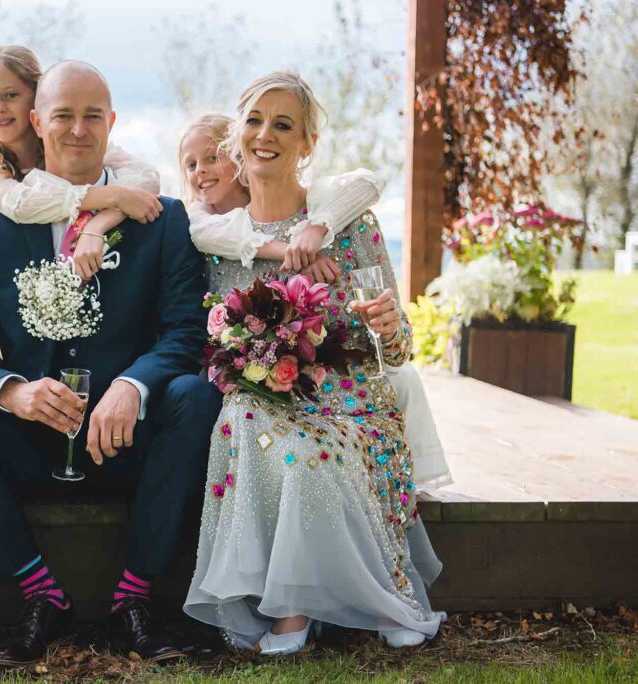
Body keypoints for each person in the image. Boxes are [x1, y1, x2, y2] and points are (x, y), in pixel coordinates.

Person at [0, 60, 222, 667]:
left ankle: (135, 599)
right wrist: (11, 391)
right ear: (36, 122)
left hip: (129, 444)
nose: (78, 129)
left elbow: (186, 332)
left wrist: (134, 385)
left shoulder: (163, 218)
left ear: (112, 122)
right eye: (63, 116)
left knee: (196, 396)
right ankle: (38, 594)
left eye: (91, 116)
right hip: (28, 443)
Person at [183, 72, 446, 655]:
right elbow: (214, 335)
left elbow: (395, 350)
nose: (264, 135)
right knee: (260, 426)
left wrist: (387, 328)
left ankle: (381, 597)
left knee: (333, 439)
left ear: (307, 143)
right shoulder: (223, 238)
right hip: (265, 397)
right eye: (254, 121)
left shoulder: (349, 224)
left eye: (283, 125)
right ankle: (293, 607)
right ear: (236, 139)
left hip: (348, 392)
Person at [178, 114, 451, 489]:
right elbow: (225, 238)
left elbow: (366, 183)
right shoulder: (202, 222)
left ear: (236, 154)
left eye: (211, 158)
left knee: (399, 379)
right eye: (190, 164)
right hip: (250, 385)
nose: (200, 171)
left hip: (327, 378)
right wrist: (291, 251)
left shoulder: (317, 208)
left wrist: (319, 227)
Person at [0, 45, 164, 281]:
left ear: (38, 97)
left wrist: (99, 225)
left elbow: (145, 179)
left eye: (10, 95)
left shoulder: (74, 146)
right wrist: (114, 196)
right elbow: (22, 203)